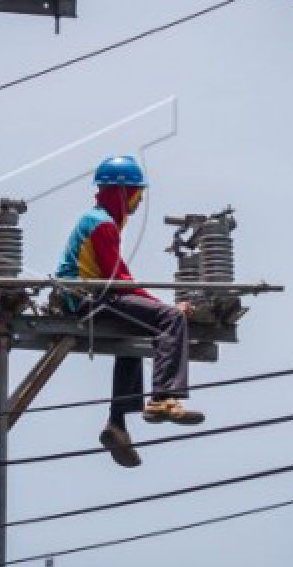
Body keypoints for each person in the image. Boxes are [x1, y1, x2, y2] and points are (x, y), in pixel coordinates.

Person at [56, 155, 204, 469]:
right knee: (170, 319)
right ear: (123, 192)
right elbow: (119, 281)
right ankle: (163, 398)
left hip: (88, 296)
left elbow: (118, 277)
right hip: (89, 299)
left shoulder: (100, 221)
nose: (139, 201)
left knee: (133, 334)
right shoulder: (102, 226)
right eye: (137, 193)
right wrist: (166, 309)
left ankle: (117, 424)